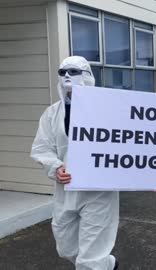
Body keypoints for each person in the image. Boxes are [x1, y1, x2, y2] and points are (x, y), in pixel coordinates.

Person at [31, 56, 119, 270]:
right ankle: (109, 265)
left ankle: (98, 264)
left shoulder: (110, 109)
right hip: (66, 189)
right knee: (67, 248)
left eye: (73, 71)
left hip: (99, 191)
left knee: (90, 261)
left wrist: (154, 176)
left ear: (87, 75)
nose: (67, 76)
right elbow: (42, 148)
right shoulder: (52, 113)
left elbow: (134, 145)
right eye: (62, 72)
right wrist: (55, 167)